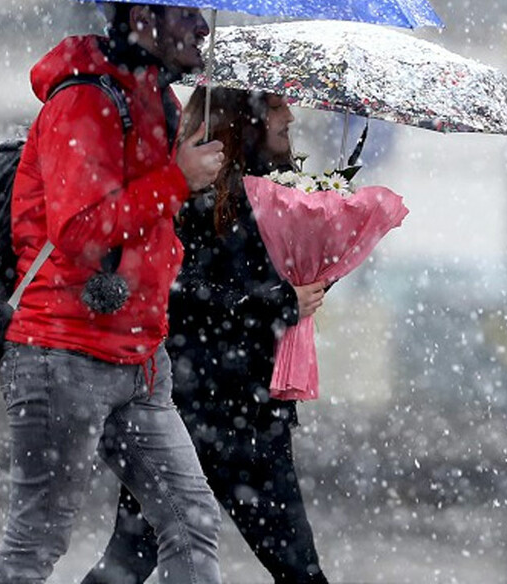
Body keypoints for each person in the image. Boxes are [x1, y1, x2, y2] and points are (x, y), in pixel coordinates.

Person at [0, 2, 227, 583]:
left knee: (192, 524)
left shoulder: (158, 101)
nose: (203, 26)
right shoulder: (85, 101)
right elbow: (79, 230)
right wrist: (177, 180)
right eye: (185, 14)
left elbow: (151, 221)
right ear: (143, 17)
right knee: (36, 543)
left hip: (140, 359)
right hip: (61, 353)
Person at [82, 86, 331, 584]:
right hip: (200, 415)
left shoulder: (276, 195)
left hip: (241, 413)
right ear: (247, 118)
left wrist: (319, 267)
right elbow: (181, 297)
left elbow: (257, 291)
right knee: (130, 561)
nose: (290, 117)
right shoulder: (191, 198)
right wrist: (281, 301)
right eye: (278, 106)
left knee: (129, 563)